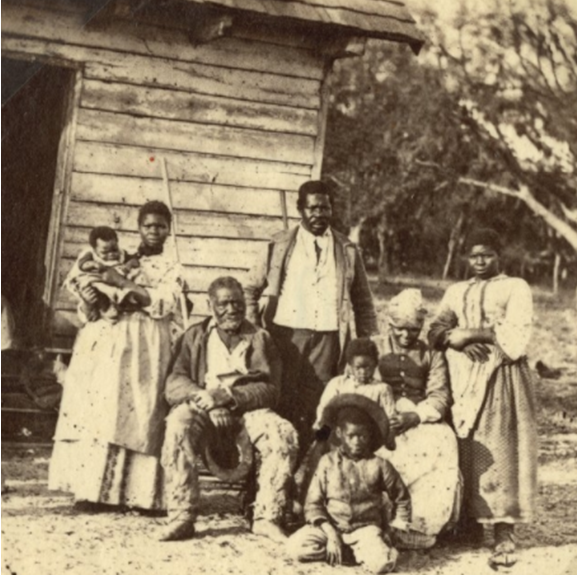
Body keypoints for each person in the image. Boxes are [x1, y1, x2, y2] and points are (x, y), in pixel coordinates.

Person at [49, 201, 186, 512]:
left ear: (168, 229)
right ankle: (94, 492)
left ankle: (140, 495)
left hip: (146, 341)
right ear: (138, 227)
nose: (154, 231)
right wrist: (89, 299)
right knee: (101, 409)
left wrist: (120, 282)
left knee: (140, 410)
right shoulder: (117, 256)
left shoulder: (172, 266)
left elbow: (163, 303)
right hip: (105, 340)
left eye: (160, 226)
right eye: (147, 225)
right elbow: (88, 308)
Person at [159, 276, 299, 543]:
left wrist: (226, 396)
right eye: (224, 304)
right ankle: (182, 516)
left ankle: (268, 517)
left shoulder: (260, 338)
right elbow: (174, 383)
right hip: (203, 405)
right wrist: (203, 398)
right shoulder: (195, 336)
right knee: (178, 424)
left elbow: (270, 389)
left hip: (246, 408)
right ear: (210, 305)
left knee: (283, 433)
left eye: (238, 303)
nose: (232, 310)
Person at [428, 228, 537, 568]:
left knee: (502, 448)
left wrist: (471, 333)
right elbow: (435, 329)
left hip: (500, 375)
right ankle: (470, 525)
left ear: (498, 256)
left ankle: (504, 531)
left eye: (486, 255)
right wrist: (452, 338)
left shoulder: (515, 287)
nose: (479, 261)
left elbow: (516, 333)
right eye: (474, 255)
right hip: (461, 377)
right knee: (468, 449)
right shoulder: (457, 290)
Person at [244, 180, 378, 454]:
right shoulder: (279, 245)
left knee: (318, 405)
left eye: (325, 208)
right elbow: (250, 289)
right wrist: (255, 331)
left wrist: (364, 346)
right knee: (281, 401)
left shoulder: (347, 249)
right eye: (313, 208)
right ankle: (269, 474)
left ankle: (310, 473)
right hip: (285, 337)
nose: (319, 214)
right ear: (300, 210)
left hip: (327, 340)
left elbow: (363, 302)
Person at [374, 289, 460, 549]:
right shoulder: (374, 346)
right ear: (389, 323)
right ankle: (376, 521)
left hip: (419, 418)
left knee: (442, 442)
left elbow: (439, 396)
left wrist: (415, 415)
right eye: (399, 328)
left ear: (421, 326)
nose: (405, 335)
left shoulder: (431, 353)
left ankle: (419, 526)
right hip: (379, 417)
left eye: (413, 329)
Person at [287, 394, 411, 574]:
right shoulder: (327, 462)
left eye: (362, 436)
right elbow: (313, 503)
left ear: (370, 435)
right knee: (295, 548)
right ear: (339, 434)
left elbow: (402, 498)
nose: (357, 442)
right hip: (331, 527)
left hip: (365, 530)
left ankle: (365, 550)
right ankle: (347, 551)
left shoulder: (379, 465)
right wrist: (331, 535)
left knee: (381, 565)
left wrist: (393, 531)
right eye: (351, 436)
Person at [65, 226, 141, 323]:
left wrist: (129, 264)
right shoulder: (90, 254)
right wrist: (93, 264)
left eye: (114, 249)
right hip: (97, 280)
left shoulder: (122, 254)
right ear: (95, 249)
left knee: (124, 292)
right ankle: (105, 309)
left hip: (115, 282)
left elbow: (133, 259)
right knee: (96, 292)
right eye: (105, 252)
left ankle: (122, 306)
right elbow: (82, 264)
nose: (111, 254)